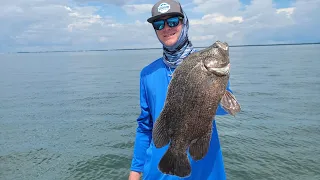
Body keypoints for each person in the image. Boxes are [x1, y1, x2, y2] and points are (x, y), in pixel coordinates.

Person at [129, 0, 233, 179]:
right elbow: (145, 127)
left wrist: (217, 82)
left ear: (184, 22)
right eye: (159, 24)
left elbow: (224, 110)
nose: (166, 28)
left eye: (172, 21)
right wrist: (135, 171)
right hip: (156, 172)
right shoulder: (147, 74)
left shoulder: (207, 65)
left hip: (204, 171)